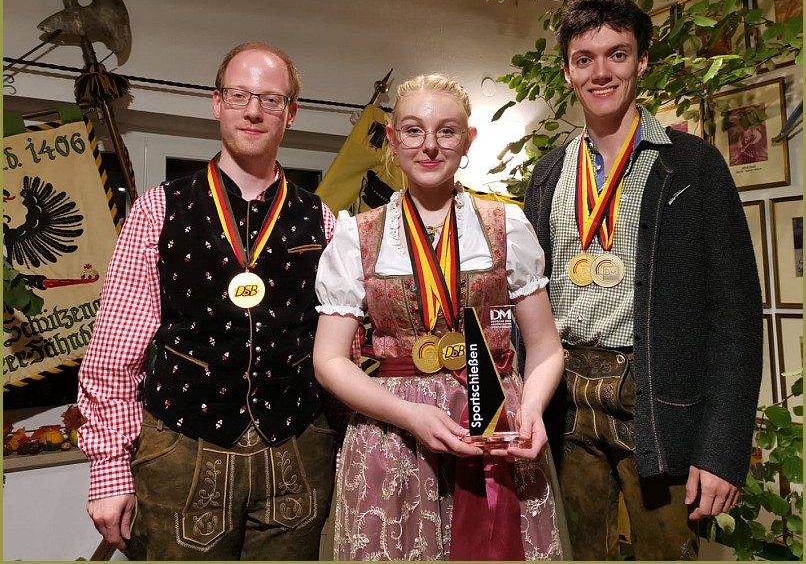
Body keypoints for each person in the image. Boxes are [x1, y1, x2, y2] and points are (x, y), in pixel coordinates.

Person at [523, 0, 763, 560]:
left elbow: (737, 316)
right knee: (574, 554)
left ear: (642, 61)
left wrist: (723, 448)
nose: (601, 72)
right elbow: (526, 297)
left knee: (667, 553)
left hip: (657, 400)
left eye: (618, 54)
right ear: (567, 71)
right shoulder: (549, 172)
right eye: (584, 59)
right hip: (566, 401)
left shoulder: (694, 166)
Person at [77, 42, 337, 560]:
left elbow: (339, 351)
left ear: (291, 113)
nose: (254, 111)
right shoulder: (158, 210)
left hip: (297, 453)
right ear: (217, 102)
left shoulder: (323, 220)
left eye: (270, 99)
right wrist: (109, 469)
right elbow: (114, 353)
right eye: (239, 95)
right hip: (182, 450)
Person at [312, 74, 567, 560]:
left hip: (495, 429)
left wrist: (531, 408)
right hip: (393, 436)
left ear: (468, 140)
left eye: (446, 131)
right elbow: (329, 360)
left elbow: (545, 346)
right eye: (413, 130)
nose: (429, 145)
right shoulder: (355, 237)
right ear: (392, 140)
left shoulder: (507, 226)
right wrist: (409, 414)